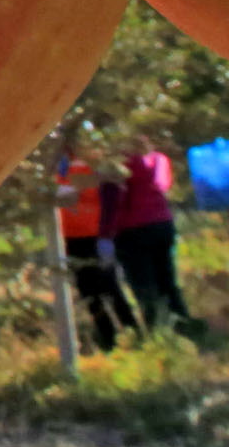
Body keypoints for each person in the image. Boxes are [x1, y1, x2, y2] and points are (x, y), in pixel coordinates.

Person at [102, 143, 193, 335]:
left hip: (133, 228)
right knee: (167, 280)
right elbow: (165, 186)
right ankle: (183, 324)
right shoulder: (159, 159)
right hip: (162, 223)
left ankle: (156, 330)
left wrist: (107, 232)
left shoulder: (121, 163)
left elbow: (117, 199)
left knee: (143, 283)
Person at [56, 151, 125, 352]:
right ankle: (108, 339)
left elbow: (110, 195)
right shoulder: (56, 167)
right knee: (88, 291)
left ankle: (133, 331)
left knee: (110, 287)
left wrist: (107, 234)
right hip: (70, 239)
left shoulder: (93, 164)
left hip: (95, 237)